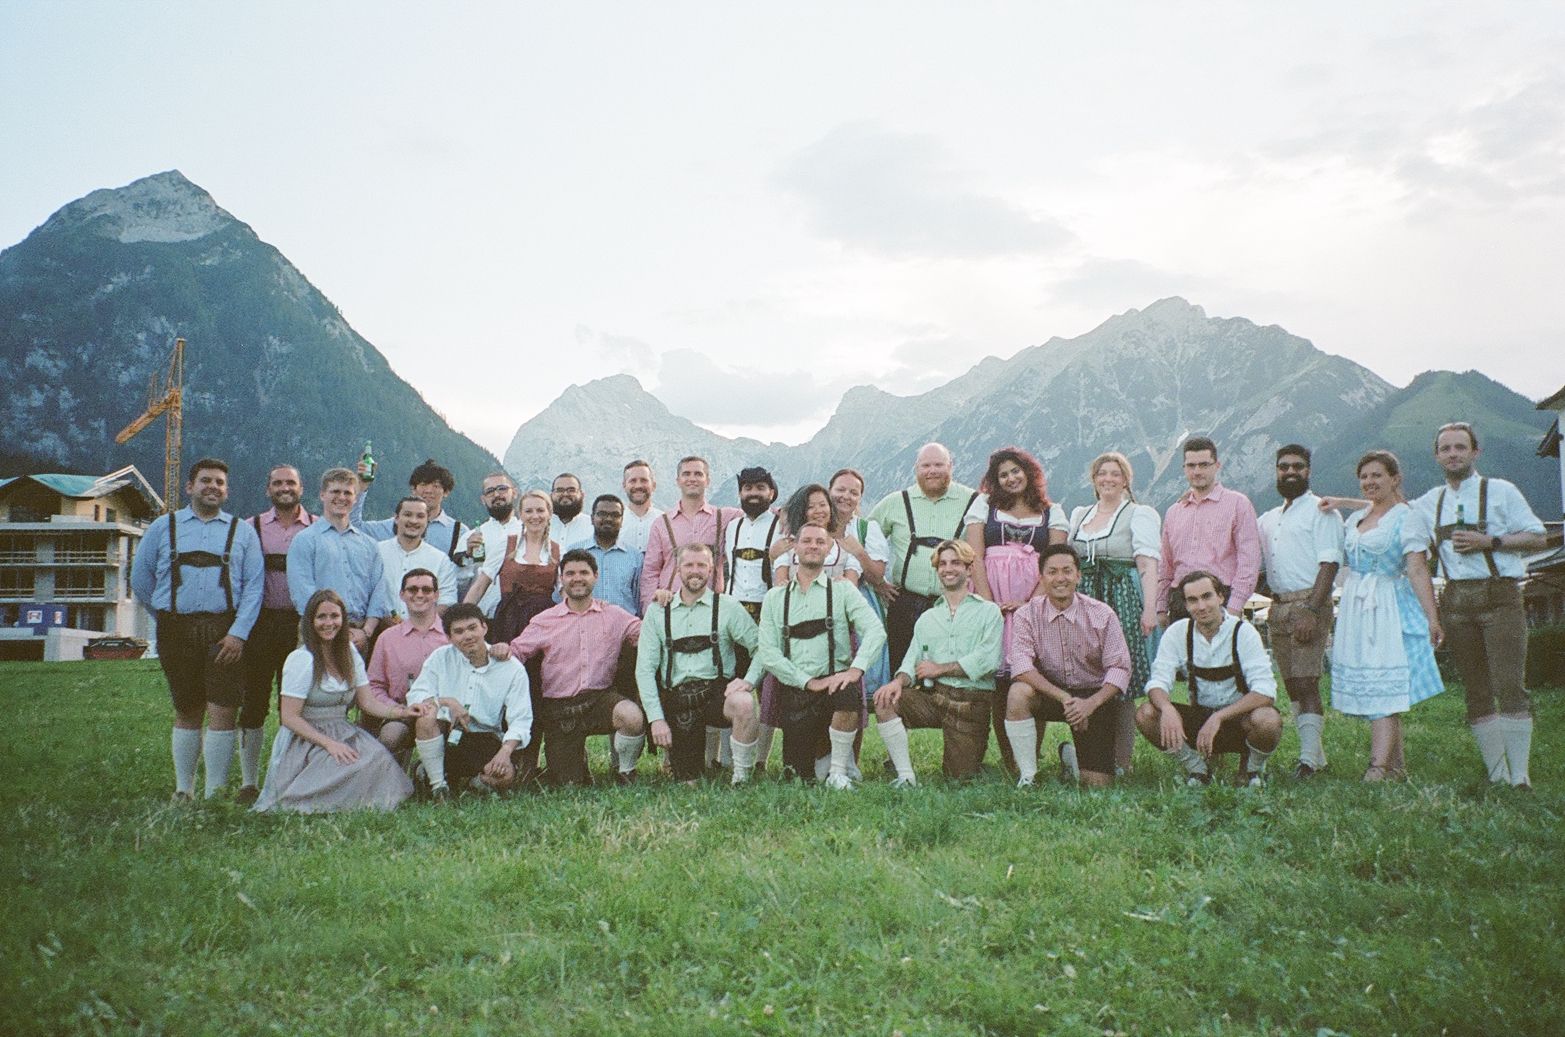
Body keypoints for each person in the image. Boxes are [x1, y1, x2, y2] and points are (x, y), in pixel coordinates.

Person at [1414, 422, 1549, 788]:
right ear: (1437, 455)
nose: (1453, 454)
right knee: (1475, 688)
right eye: (1446, 448)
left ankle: (1519, 775)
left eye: (1460, 447)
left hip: (1500, 595)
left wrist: (1490, 541)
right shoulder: (1430, 501)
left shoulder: (1501, 491)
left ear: (1476, 452)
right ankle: (1497, 772)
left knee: (1509, 684)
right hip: (1455, 600)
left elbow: (1538, 537)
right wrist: (1343, 503)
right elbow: (1386, 505)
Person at [131, 457, 264, 801]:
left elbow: (254, 587)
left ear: (227, 490)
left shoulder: (242, 531)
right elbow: (140, 579)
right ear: (189, 487)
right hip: (176, 630)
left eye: (220, 482)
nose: (213, 487)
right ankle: (183, 790)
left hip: (225, 631)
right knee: (187, 708)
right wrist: (166, 618)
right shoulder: (163, 527)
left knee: (224, 710)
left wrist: (239, 633)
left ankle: (215, 794)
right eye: (206, 481)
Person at [252, 589, 422, 813]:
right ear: (310, 622)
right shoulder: (301, 659)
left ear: (343, 619)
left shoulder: (349, 653)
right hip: (307, 737)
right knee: (344, 765)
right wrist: (329, 744)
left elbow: (367, 702)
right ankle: (304, 802)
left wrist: (402, 712)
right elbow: (289, 717)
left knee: (377, 759)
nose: (328, 623)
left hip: (342, 729)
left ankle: (352, 804)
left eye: (334, 616)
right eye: (321, 617)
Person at [1329, 451, 1444, 781]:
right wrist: (1339, 502)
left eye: (1377, 475)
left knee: (1385, 684)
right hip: (1356, 605)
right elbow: (1364, 508)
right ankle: (1396, 767)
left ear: (1396, 478)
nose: (1369, 482)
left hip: (1388, 603)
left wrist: (1431, 617)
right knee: (1374, 680)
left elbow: (1418, 570)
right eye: (1364, 477)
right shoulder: (1357, 518)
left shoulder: (1406, 517)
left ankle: (1378, 767)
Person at [756, 523, 886, 788]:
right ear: (795, 548)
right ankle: (827, 764)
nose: (813, 546)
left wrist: (855, 670)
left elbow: (875, 630)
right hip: (797, 689)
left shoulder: (843, 590)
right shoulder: (775, 597)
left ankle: (838, 771)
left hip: (834, 685)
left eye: (819, 541)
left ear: (829, 549)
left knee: (849, 691)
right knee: (798, 776)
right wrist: (807, 682)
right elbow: (768, 653)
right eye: (806, 541)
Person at [962, 446, 1066, 774]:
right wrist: (988, 603)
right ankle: (1011, 761)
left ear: (1029, 472)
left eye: (1015, 471)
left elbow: (1055, 560)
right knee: (1000, 680)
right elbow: (974, 554)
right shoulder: (984, 506)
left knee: (1030, 673)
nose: (1010, 478)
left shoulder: (1052, 512)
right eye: (1003, 474)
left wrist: (1031, 603)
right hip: (992, 594)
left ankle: (1029, 757)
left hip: (1034, 597)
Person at [502, 549, 645, 786]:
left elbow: (648, 635)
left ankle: (626, 771)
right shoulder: (545, 620)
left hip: (599, 700)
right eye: (570, 573)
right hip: (560, 709)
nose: (577, 578)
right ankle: (575, 761)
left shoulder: (615, 615)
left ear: (595, 577)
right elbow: (517, 651)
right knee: (569, 784)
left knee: (631, 716)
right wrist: (499, 650)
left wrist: (665, 604)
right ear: (561, 579)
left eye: (584, 573)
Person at [872, 539, 1002, 786]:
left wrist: (941, 668)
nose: (948, 568)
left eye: (956, 563)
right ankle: (905, 776)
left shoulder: (989, 612)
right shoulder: (928, 618)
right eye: (942, 564)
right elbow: (911, 660)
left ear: (969, 569)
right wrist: (898, 682)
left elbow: (988, 659)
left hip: (971, 701)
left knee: (959, 779)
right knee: (886, 700)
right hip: (934, 697)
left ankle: (978, 763)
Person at [1135, 571, 1282, 786]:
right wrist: (1167, 709)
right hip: (1200, 719)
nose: (1201, 606)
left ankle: (1252, 770)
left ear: (1221, 597)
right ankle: (1198, 770)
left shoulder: (1243, 632)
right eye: (1192, 600)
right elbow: (1157, 681)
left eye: (1207, 596)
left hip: (1240, 720)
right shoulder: (1178, 633)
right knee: (1146, 714)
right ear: (1186, 605)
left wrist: (1219, 717)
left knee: (1267, 720)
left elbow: (1266, 692)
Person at [1003, 544, 1132, 789]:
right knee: (1018, 693)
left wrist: (1089, 704)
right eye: (1052, 572)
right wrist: (1065, 698)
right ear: (1042, 578)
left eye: (1067, 571)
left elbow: (1120, 668)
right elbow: (1020, 666)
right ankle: (1028, 776)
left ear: (1078, 575)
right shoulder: (1026, 614)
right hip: (1051, 693)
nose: (1060, 578)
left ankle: (1071, 758)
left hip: (1093, 698)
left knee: (1097, 786)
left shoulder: (1102, 614)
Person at [636, 543, 765, 784]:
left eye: (701, 565)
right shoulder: (657, 612)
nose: (695, 571)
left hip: (716, 695)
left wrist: (749, 681)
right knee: (688, 783)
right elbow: (644, 671)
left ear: (711, 570)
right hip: (677, 700)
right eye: (689, 565)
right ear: (677, 569)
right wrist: (657, 719)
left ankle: (741, 777)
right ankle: (683, 763)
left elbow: (761, 647)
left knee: (745, 703)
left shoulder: (727, 607)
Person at [1065, 451, 1161, 775]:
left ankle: (1121, 762)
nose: (1108, 479)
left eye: (1115, 474)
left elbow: (1147, 564)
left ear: (1125, 480)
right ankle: (1090, 758)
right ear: (1093, 480)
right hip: (1084, 600)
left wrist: (1150, 609)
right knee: (1085, 676)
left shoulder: (1138, 514)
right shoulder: (1079, 514)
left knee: (1121, 681)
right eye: (1102, 473)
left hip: (1121, 599)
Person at [1256, 445, 1343, 779]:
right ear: (1276, 471)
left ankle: (1307, 763)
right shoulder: (1270, 518)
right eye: (1283, 467)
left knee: (1307, 682)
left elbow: (1330, 563)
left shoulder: (1322, 512)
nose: (1290, 472)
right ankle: (1315, 757)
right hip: (1277, 606)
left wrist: (1311, 609)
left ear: (1309, 471)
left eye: (1298, 467)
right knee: (1291, 684)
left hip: (1310, 602)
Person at [237, 463, 314, 803]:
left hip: (302, 627)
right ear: (268, 490)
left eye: (291, 483)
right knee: (252, 704)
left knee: (296, 704)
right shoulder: (249, 527)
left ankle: (289, 776)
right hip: (260, 624)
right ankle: (249, 782)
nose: (285, 488)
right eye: (278, 483)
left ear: (302, 488)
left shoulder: (316, 527)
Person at [868, 443, 979, 676]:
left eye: (939, 465)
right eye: (925, 465)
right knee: (901, 672)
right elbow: (863, 535)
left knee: (950, 672)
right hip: (905, 603)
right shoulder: (895, 502)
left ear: (951, 467)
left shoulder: (974, 501)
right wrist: (878, 583)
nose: (932, 471)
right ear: (915, 469)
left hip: (955, 604)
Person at [407, 603, 533, 798]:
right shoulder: (440, 657)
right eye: (458, 632)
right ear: (449, 637)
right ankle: (438, 786)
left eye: (472, 628)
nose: (467, 636)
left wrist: (505, 752)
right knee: (426, 717)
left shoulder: (511, 668)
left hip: (485, 737)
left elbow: (521, 719)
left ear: (484, 627)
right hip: (447, 734)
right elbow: (416, 695)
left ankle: (472, 782)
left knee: (505, 776)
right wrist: (449, 702)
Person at [287, 467, 391, 657]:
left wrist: (366, 631)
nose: (341, 497)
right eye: (335, 491)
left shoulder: (369, 544)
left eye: (348, 493)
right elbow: (302, 592)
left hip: (359, 634)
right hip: (317, 631)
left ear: (355, 498)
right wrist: (330, 626)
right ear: (322, 495)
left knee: (360, 686)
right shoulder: (305, 540)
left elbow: (378, 590)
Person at [1157, 437, 1261, 624]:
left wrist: (1234, 608)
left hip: (1221, 597)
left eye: (1204, 465)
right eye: (1191, 466)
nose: (1197, 471)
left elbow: (1249, 562)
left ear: (1217, 465)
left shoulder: (1238, 504)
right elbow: (1166, 565)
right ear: (1184, 469)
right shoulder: (1173, 512)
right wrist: (1161, 607)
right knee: (1183, 654)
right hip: (1180, 601)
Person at [353, 458, 476, 600]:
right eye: (423, 484)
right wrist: (362, 486)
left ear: (446, 492)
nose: (429, 490)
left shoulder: (459, 532)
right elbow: (355, 527)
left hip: (435, 609)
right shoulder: (393, 524)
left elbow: (462, 579)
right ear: (413, 489)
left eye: (436, 486)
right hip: (392, 610)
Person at [364, 568, 450, 762]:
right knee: (390, 736)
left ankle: (431, 776)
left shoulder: (451, 636)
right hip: (401, 711)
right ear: (402, 595)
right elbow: (374, 685)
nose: (419, 594)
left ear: (436, 595)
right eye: (412, 589)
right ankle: (395, 780)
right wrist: (397, 710)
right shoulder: (387, 638)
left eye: (426, 590)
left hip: (443, 713)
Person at [640, 455, 740, 610]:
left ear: (707, 481)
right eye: (686, 474)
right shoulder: (662, 523)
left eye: (698, 474)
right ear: (678, 481)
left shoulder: (725, 517)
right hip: (670, 605)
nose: (692, 479)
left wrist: (784, 515)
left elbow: (759, 514)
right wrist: (650, 608)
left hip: (711, 607)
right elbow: (651, 571)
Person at [464, 489, 560, 643]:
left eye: (540, 510)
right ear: (521, 515)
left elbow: (566, 593)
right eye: (529, 511)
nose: (535, 516)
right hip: (508, 621)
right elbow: (481, 584)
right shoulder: (507, 544)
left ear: (549, 513)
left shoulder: (557, 551)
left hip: (544, 624)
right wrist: (461, 617)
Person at [828, 468, 893, 693]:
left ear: (859, 499)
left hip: (860, 599)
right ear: (829, 491)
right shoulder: (815, 524)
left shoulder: (867, 529)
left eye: (853, 493)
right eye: (841, 490)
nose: (846, 496)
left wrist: (859, 552)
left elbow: (877, 576)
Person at [375, 496, 459, 622]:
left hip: (426, 634)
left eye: (420, 516)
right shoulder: (377, 553)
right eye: (408, 515)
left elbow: (447, 601)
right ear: (396, 518)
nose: (414, 521)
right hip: (380, 630)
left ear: (427, 521)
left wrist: (419, 625)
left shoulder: (440, 559)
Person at [568, 494, 642, 616]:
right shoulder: (573, 553)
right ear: (592, 519)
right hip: (583, 625)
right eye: (602, 514)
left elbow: (639, 599)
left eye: (615, 515)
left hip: (623, 628)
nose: (608, 519)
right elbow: (563, 595)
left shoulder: (635, 557)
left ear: (622, 520)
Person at [466, 471, 521, 618]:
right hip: (484, 617)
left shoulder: (528, 532)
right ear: (483, 499)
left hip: (522, 615)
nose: (496, 495)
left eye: (502, 489)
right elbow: (458, 581)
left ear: (514, 493)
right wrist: (466, 556)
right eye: (490, 491)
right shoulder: (471, 536)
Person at [617, 459, 663, 554]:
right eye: (633, 481)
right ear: (624, 486)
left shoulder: (664, 521)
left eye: (644, 480)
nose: (638, 486)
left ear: (653, 485)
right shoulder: (615, 521)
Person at [549, 472, 593, 548]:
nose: (565, 494)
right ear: (551, 495)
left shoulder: (592, 526)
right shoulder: (537, 524)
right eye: (559, 490)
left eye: (571, 490)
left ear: (582, 495)